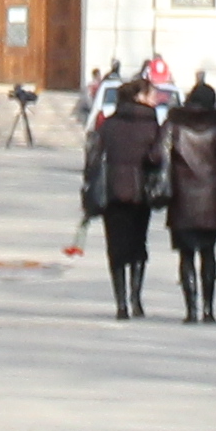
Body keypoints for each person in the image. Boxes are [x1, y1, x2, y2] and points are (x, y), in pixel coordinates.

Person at [85, 74, 169, 318]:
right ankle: (136, 298)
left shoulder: (108, 125)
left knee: (116, 247)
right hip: (141, 192)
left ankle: (120, 303)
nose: (156, 99)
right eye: (151, 94)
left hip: (112, 192)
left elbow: (93, 159)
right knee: (138, 244)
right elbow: (156, 159)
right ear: (139, 97)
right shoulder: (152, 125)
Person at [161, 77, 216, 324]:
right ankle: (208, 309)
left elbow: (156, 153)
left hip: (181, 199)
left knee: (185, 255)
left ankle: (191, 309)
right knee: (208, 253)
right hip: (212, 201)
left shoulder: (174, 125)